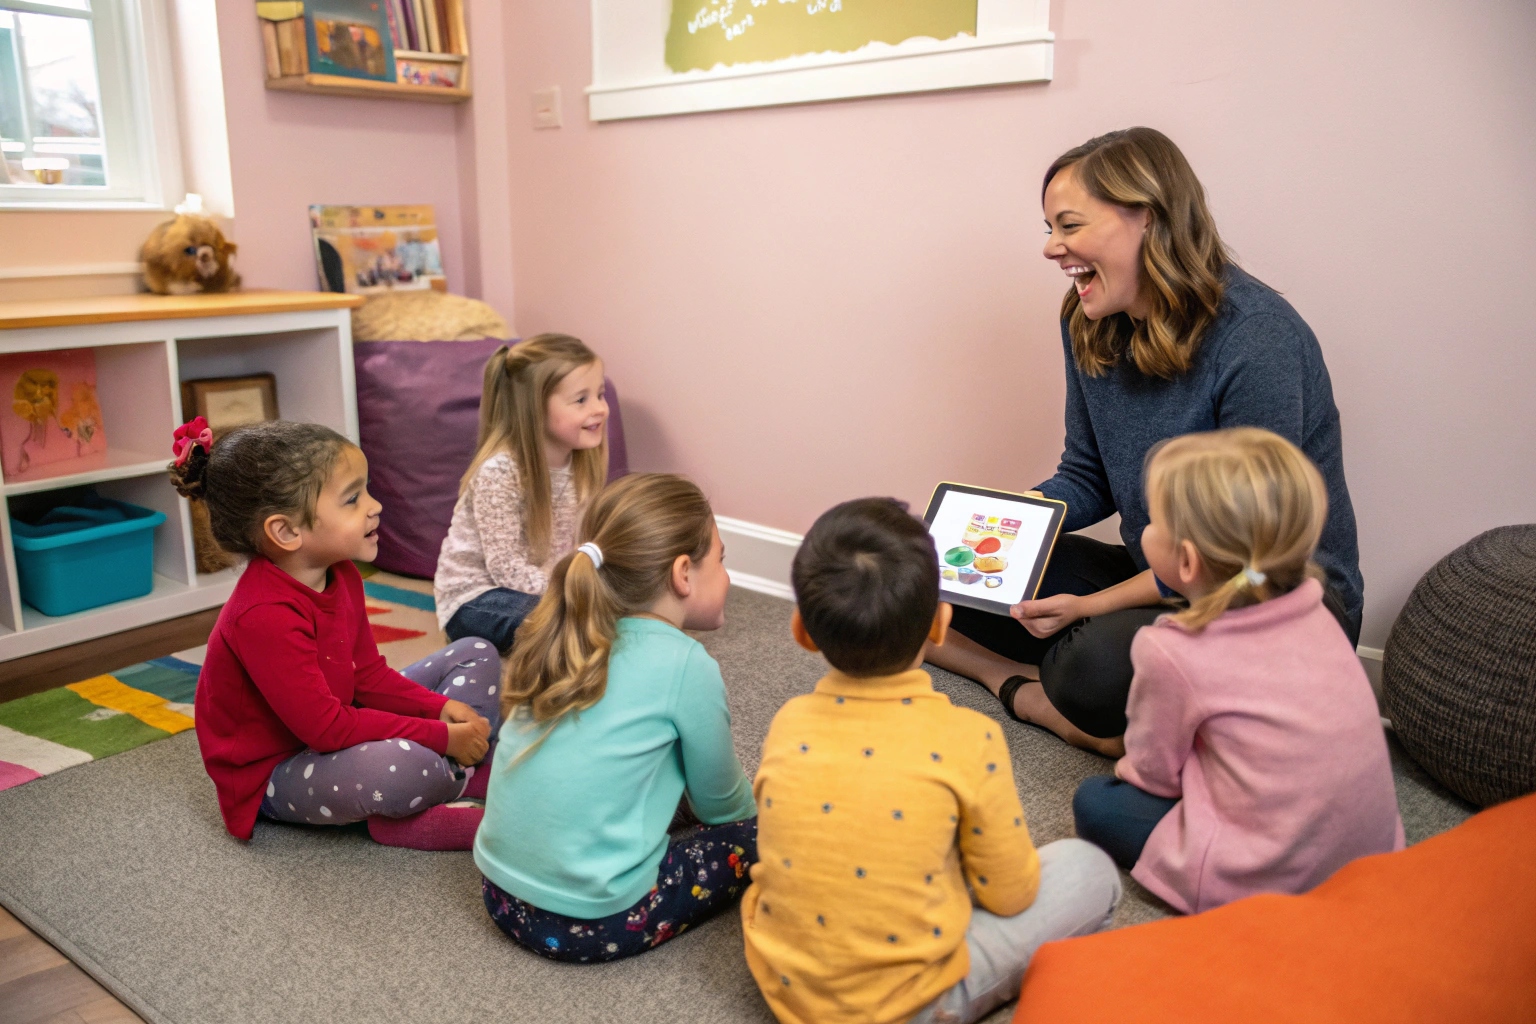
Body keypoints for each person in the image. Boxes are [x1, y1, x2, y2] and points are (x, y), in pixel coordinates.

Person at [926, 127, 1365, 755]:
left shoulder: (1257, 338)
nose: (1053, 248)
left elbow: (1239, 553)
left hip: (1270, 599)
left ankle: (1055, 692)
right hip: (1160, 567)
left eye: (1069, 226)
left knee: (1089, 669)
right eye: (1048, 228)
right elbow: (1086, 476)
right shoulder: (1088, 319)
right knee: (942, 580)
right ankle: (1021, 685)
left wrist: (1090, 608)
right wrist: (984, 529)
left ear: (1148, 218)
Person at [744, 498, 1120, 1024]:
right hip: (906, 1004)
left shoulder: (788, 723)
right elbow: (1011, 896)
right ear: (940, 625)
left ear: (802, 631)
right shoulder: (969, 738)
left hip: (787, 984)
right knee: (1089, 871)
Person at [1073, 428, 1402, 913]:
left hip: (1267, 873)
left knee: (1096, 802)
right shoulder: (1314, 607)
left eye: (1154, 520)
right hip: (1369, 850)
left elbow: (1154, 775)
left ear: (1184, 561)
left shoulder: (1172, 650)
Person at [171, 417, 497, 850]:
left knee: (476, 652)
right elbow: (326, 729)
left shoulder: (341, 574)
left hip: (339, 721)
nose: (374, 505)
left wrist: (439, 709)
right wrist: (440, 736)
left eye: (365, 491)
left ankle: (451, 771)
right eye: (351, 499)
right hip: (277, 769)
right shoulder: (262, 614)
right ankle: (430, 795)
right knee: (396, 768)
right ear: (285, 531)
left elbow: (368, 677)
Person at [475, 473, 758, 963]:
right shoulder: (686, 664)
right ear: (683, 572)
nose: (727, 575)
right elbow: (724, 806)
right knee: (759, 836)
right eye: (723, 559)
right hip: (595, 920)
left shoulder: (557, 630)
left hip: (498, 895)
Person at [434, 334, 609, 653]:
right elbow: (506, 570)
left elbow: (581, 547)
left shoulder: (582, 463)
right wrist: (575, 592)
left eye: (600, 394)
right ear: (534, 410)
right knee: (566, 625)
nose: (600, 408)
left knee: (607, 614)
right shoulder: (500, 472)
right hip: (475, 598)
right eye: (581, 400)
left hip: (543, 589)